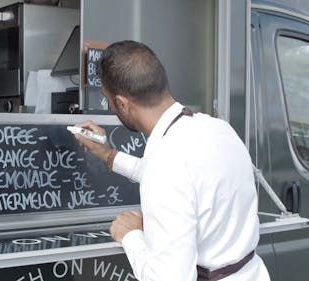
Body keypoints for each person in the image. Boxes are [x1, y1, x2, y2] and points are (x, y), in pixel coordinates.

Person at [73, 41, 270, 281]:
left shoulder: (167, 164)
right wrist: (108, 155)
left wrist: (131, 236)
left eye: (108, 100)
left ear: (122, 103)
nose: (110, 106)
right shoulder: (219, 129)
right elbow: (185, 179)